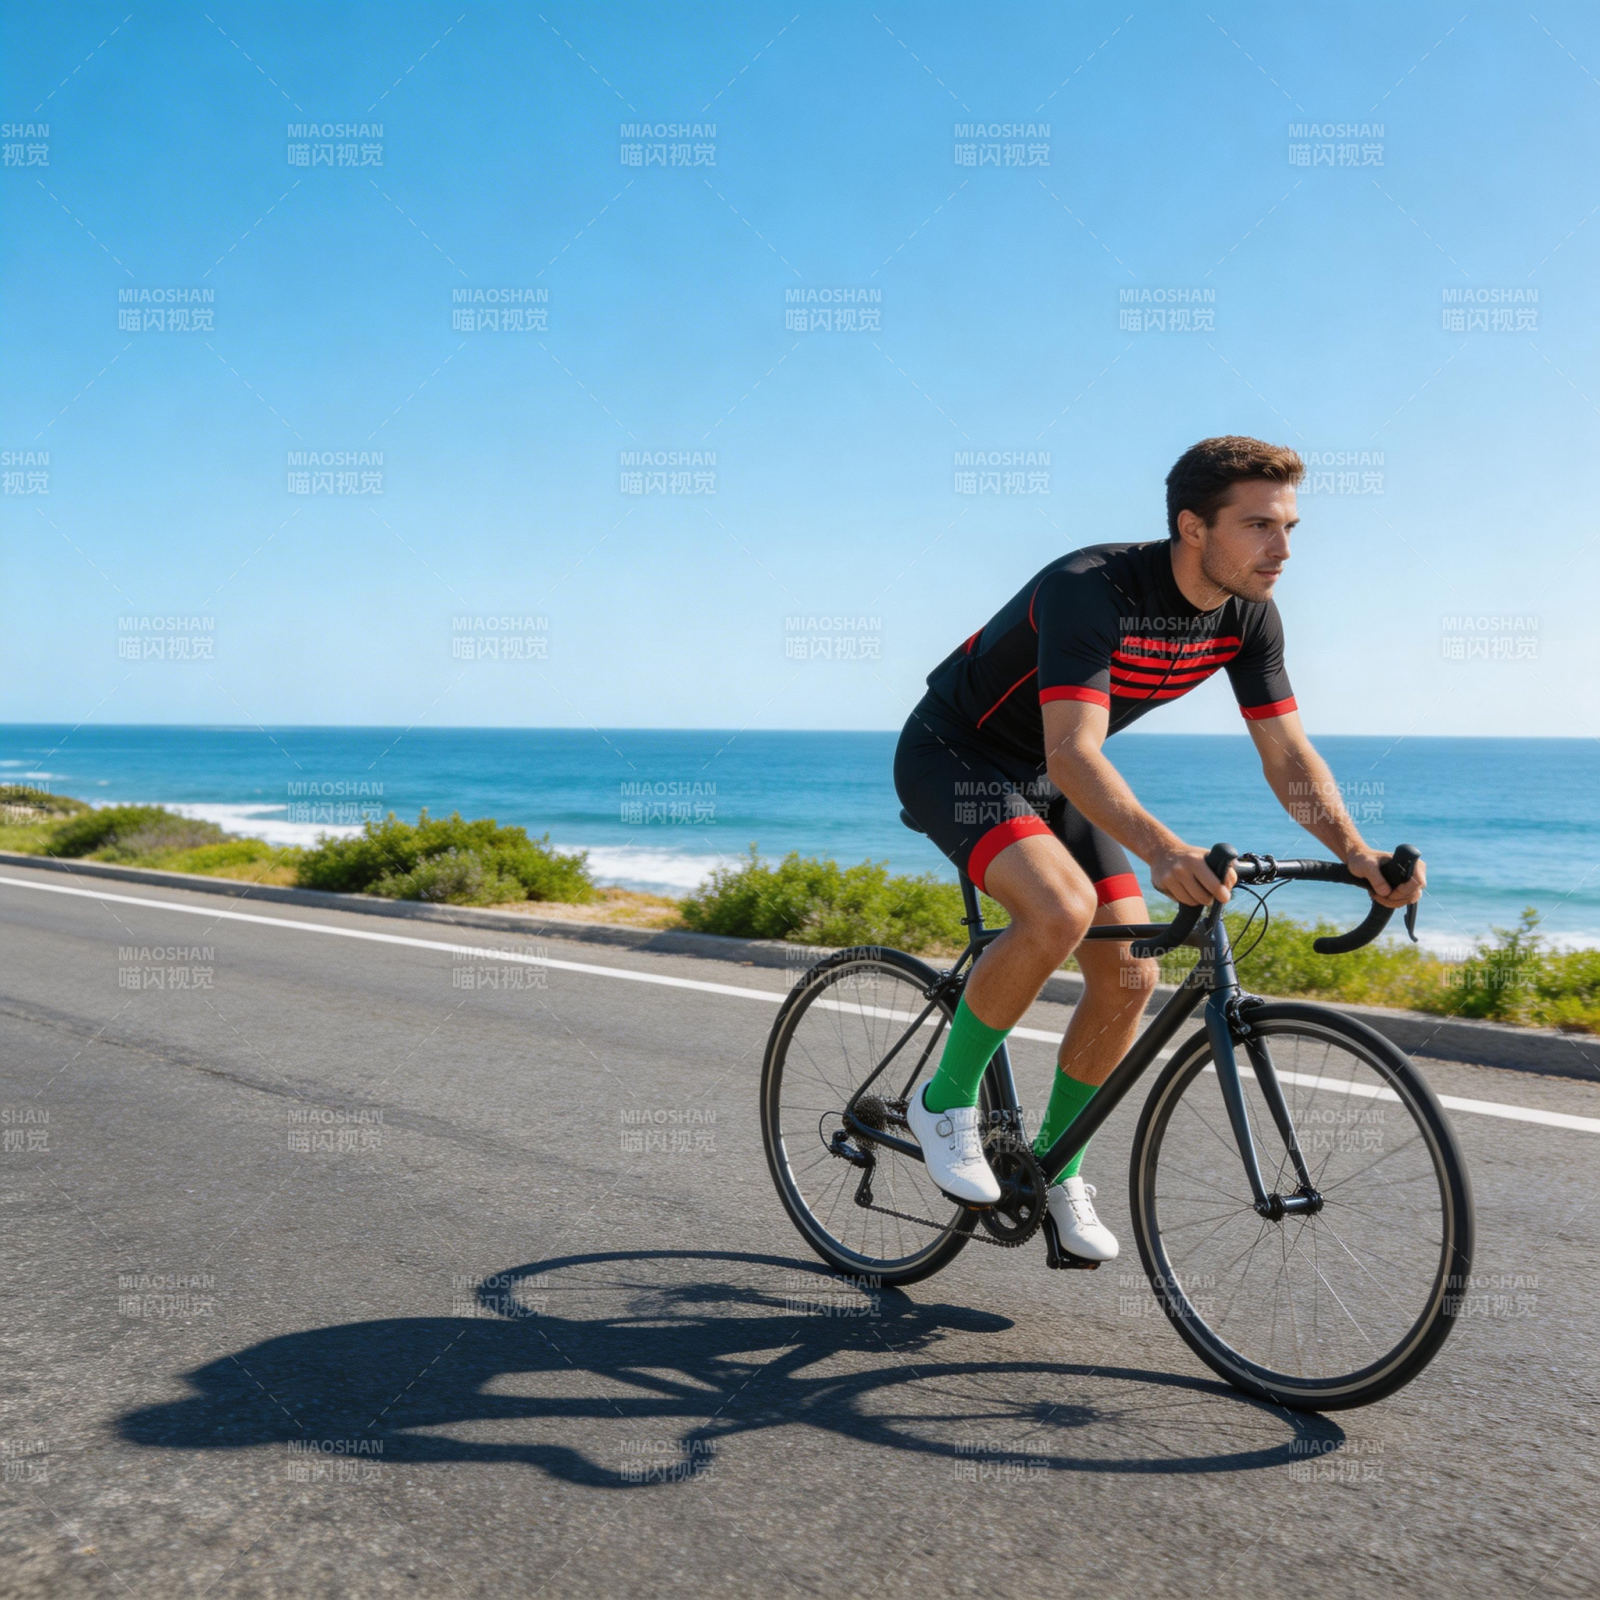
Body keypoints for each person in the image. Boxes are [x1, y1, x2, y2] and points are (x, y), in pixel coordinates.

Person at [894, 436, 1426, 1260]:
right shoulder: (1090, 589)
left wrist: (1356, 851)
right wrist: (1164, 850)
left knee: (1132, 973)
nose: (1283, 549)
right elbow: (1074, 751)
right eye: (1259, 526)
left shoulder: (1249, 615)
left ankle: (1055, 1166)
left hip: (1051, 774)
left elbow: (1287, 755)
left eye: (1289, 527)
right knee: (1059, 910)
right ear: (1192, 526)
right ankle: (943, 1101)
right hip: (954, 755)